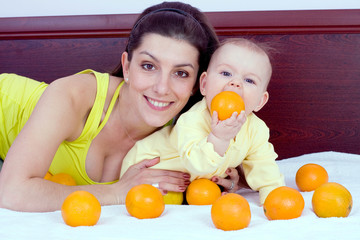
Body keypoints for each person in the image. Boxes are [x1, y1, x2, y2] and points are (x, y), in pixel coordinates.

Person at [0, 2, 220, 212]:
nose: (162, 88)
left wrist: (225, 175)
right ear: (126, 66)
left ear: (197, 84)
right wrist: (115, 193)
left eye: (181, 73)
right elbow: (11, 191)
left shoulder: (190, 134)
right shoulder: (73, 96)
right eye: (148, 66)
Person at [121, 38, 285, 204]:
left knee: (195, 198)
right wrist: (219, 138)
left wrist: (273, 197)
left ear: (260, 101)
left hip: (189, 183)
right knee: (150, 203)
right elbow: (197, 164)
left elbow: (263, 167)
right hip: (145, 167)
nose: (235, 83)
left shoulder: (256, 130)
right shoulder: (192, 119)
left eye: (249, 80)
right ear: (204, 84)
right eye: (226, 73)